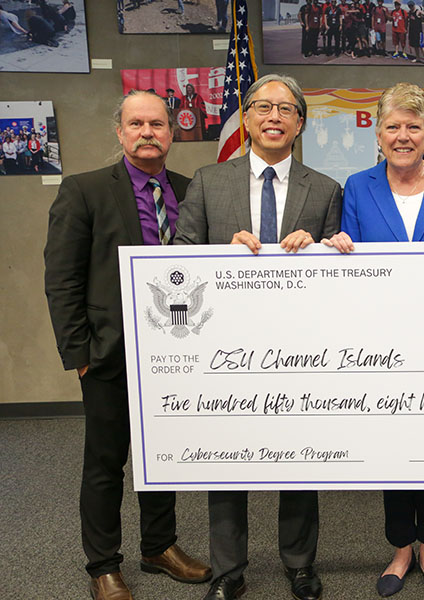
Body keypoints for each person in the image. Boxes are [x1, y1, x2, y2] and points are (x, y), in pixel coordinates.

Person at [174, 73, 342, 600]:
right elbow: (178, 259)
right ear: (245, 119)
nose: (274, 116)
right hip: (223, 349)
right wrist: (221, 251)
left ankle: (299, 563)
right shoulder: (206, 180)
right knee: (227, 460)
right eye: (263, 107)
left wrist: (316, 244)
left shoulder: (326, 189)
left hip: (300, 350)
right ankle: (228, 569)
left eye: (286, 109)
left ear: (299, 123)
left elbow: (341, 271)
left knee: (300, 459)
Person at [44, 90, 212, 600]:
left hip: (176, 353)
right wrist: (79, 357)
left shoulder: (190, 189)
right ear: (119, 132)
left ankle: (159, 546)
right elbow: (62, 279)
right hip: (109, 355)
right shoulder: (85, 189)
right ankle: (103, 565)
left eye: (157, 124)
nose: (147, 133)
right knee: (105, 462)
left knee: (161, 455)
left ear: (172, 131)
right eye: (136, 123)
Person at [324, 82, 424, 599]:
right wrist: (340, 245)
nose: (403, 135)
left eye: (413, 126)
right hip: (382, 339)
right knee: (393, 446)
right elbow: (348, 257)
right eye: (393, 125)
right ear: (377, 131)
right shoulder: (357, 185)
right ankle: (399, 547)